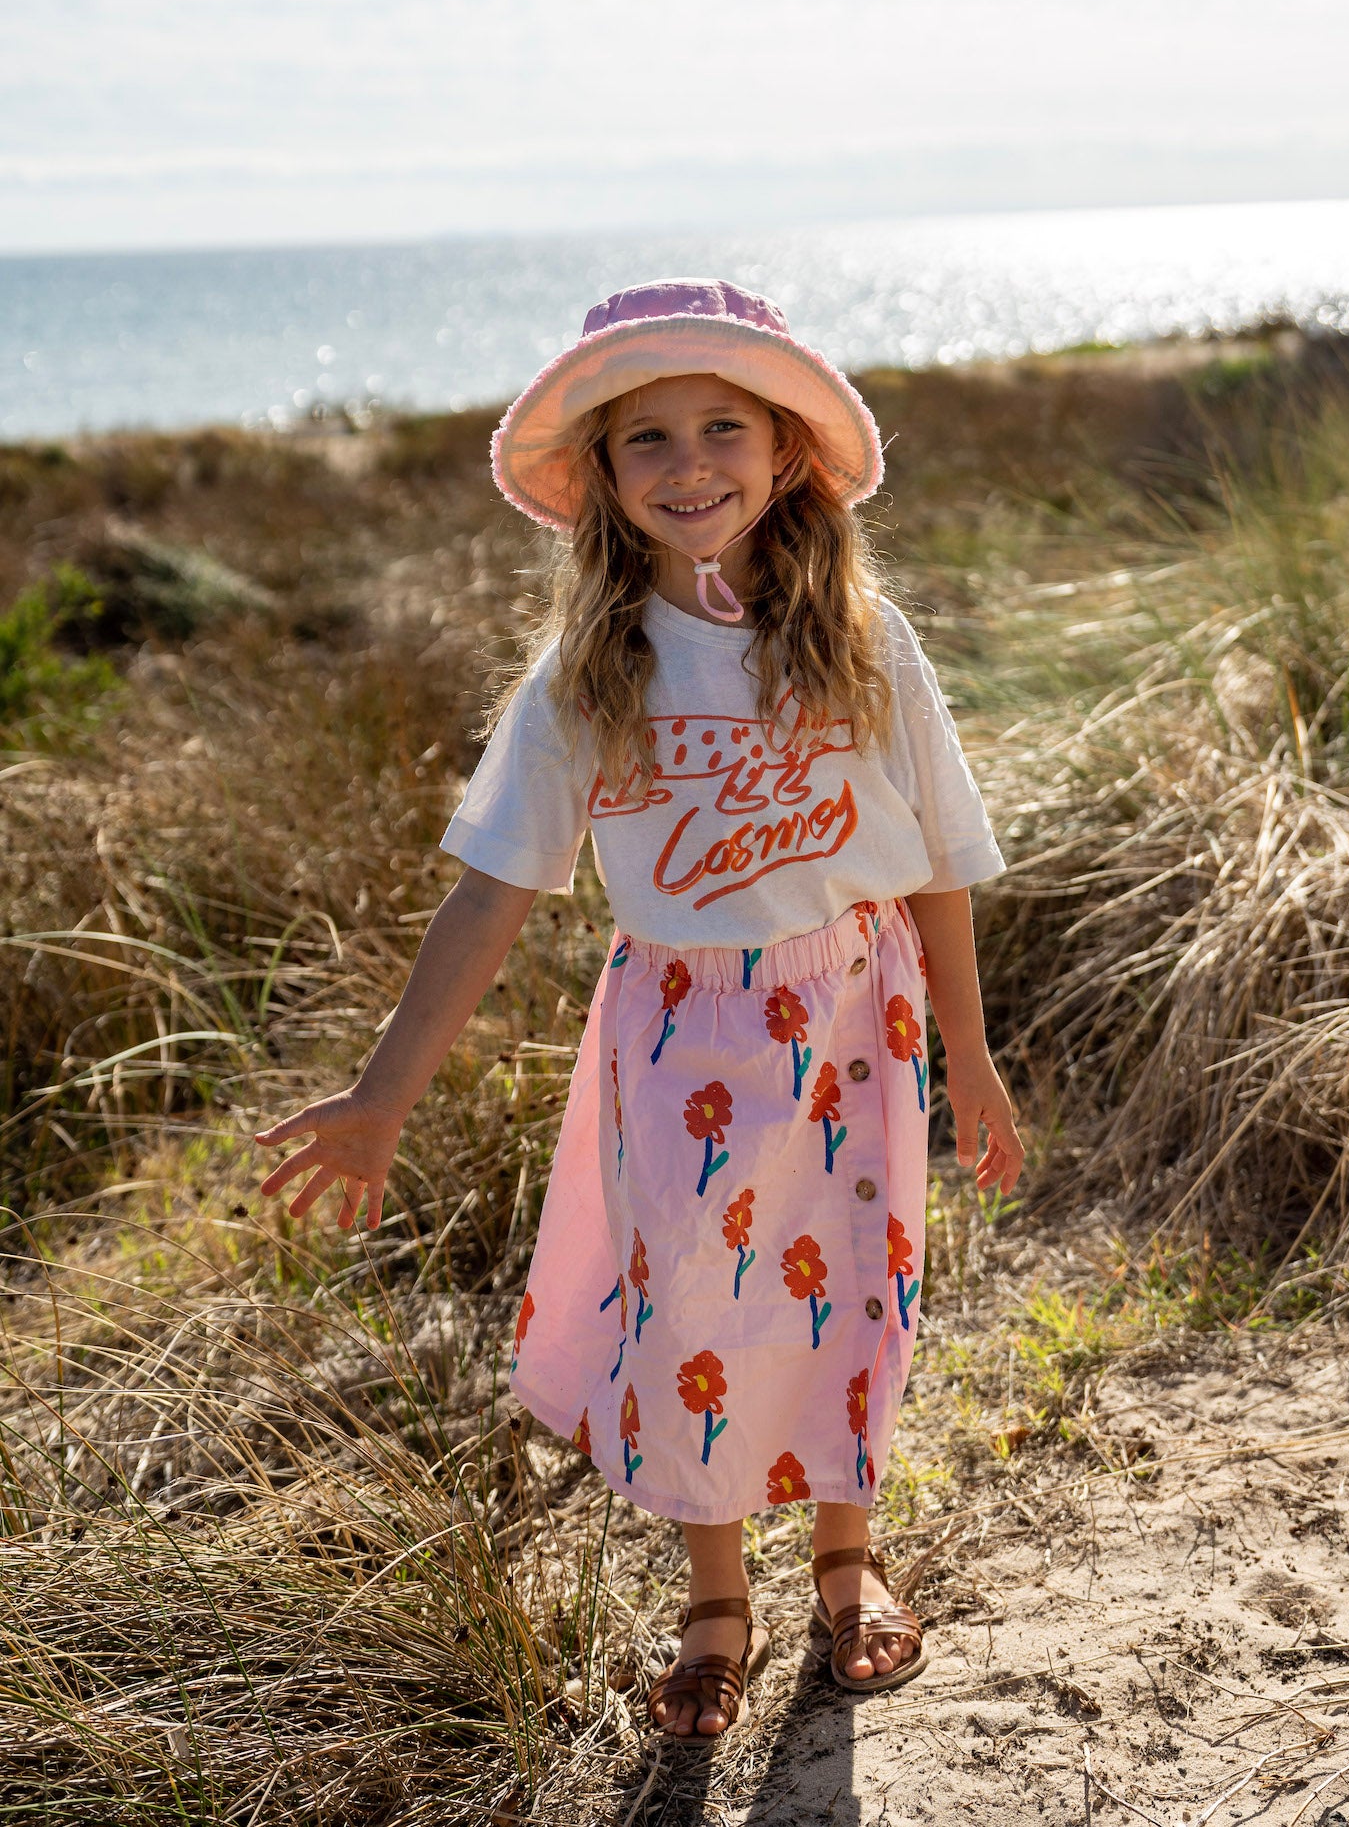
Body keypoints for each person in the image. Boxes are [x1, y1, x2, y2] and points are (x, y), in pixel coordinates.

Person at [256, 278, 1025, 1745]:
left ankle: (849, 1559)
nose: (690, 466)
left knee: (852, 1283)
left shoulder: (866, 639)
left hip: (858, 1017)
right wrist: (380, 1096)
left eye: (723, 425)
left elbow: (940, 864)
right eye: (646, 439)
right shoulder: (588, 675)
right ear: (602, 479)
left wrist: (972, 1056)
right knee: (689, 1305)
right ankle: (714, 1597)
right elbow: (488, 896)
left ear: (786, 449)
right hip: (679, 1035)